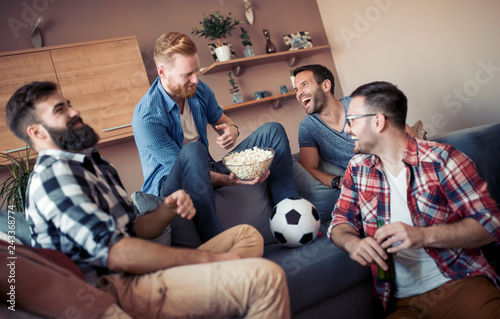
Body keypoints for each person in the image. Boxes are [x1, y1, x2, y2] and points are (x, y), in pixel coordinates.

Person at [5, 81, 291, 319]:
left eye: (68, 103)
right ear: (37, 132)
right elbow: (118, 254)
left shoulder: (94, 164)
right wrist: (208, 260)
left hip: (134, 272)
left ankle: (214, 295)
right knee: (267, 278)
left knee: (248, 235)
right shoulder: (54, 175)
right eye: (60, 110)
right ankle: (225, 286)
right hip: (114, 288)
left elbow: (137, 231)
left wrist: (166, 209)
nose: (75, 111)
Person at [328, 81, 500, 318]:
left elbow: (490, 224)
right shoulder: (357, 170)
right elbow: (340, 221)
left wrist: (423, 236)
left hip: (460, 282)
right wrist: (352, 243)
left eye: (351, 121)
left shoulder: (442, 159)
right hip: (402, 303)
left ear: (377, 122)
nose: (346, 130)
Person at [132, 31, 299, 242]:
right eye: (187, 75)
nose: (195, 80)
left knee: (273, 131)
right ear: (162, 71)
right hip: (170, 185)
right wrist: (229, 180)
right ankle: (216, 241)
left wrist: (233, 130)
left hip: (207, 169)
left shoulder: (198, 90)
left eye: (197, 71)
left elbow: (223, 120)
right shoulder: (147, 117)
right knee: (192, 151)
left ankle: (292, 212)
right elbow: (183, 169)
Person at [293, 64, 416, 221]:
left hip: (395, 171)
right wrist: (338, 181)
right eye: (296, 89)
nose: (299, 93)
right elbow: (307, 168)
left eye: (304, 84)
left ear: (325, 85)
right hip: (366, 185)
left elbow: (403, 132)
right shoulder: (308, 127)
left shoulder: (357, 104)